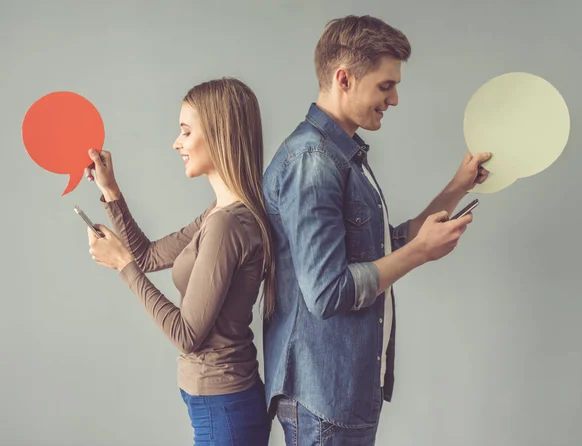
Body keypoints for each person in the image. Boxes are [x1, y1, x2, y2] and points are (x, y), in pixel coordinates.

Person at [262, 15, 492, 445]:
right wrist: (421, 253)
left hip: (341, 391)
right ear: (344, 78)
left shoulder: (341, 156)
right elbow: (328, 292)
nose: (396, 99)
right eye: (386, 86)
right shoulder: (313, 162)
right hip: (324, 397)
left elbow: (383, 247)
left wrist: (457, 187)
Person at [84, 78, 273, 445]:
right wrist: (110, 190)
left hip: (225, 407)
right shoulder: (219, 213)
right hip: (217, 402)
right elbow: (150, 255)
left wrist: (124, 267)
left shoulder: (228, 224)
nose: (177, 143)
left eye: (186, 132)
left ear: (219, 135)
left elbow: (187, 336)